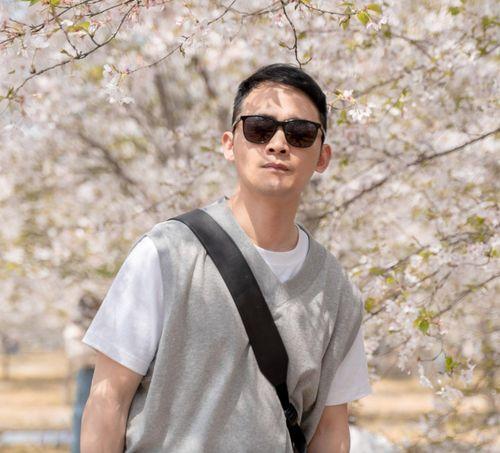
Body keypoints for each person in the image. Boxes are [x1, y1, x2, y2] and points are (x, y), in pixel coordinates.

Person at [81, 63, 372, 453]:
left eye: (300, 133)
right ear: (229, 144)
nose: (278, 144)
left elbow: (331, 430)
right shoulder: (166, 253)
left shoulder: (336, 291)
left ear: (323, 156)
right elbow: (108, 401)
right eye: (259, 128)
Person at [63, 292, 101, 453]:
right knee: (82, 413)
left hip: (98, 371)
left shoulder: (101, 320)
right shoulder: (76, 326)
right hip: (87, 371)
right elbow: (78, 354)